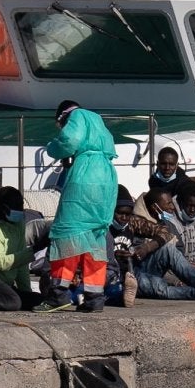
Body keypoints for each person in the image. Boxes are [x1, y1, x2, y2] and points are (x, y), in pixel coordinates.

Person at [44, 102, 120, 312]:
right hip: (106, 178)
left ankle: (58, 295)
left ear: (62, 116)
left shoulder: (77, 115)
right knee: (95, 236)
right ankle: (94, 298)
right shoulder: (97, 119)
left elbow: (69, 140)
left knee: (67, 233)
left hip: (85, 177)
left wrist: (52, 148)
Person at [114, 187, 195, 302]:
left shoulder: (133, 221)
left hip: (138, 267)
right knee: (157, 286)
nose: (124, 218)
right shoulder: (104, 228)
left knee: (168, 249)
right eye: (120, 213)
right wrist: (114, 256)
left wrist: (146, 248)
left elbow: (165, 233)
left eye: (127, 214)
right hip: (119, 276)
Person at [0, 188, 39, 311]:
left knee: (36, 300)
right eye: (16, 208)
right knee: (14, 302)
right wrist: (34, 250)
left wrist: (26, 292)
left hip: (4, 282)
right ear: (4, 209)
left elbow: (21, 264)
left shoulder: (18, 225)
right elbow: (0, 263)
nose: (20, 211)